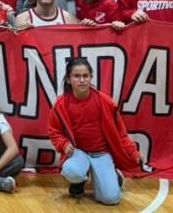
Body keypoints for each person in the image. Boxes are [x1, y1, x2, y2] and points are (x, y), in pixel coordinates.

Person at [48, 58, 142, 205]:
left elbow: (121, 133)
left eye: (85, 76)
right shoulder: (61, 104)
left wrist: (133, 152)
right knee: (72, 170)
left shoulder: (105, 102)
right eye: (77, 76)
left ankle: (114, 176)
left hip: (101, 153)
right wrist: (63, 143)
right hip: (78, 153)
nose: (82, 80)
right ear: (68, 79)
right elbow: (54, 131)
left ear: (91, 77)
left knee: (111, 199)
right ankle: (78, 181)